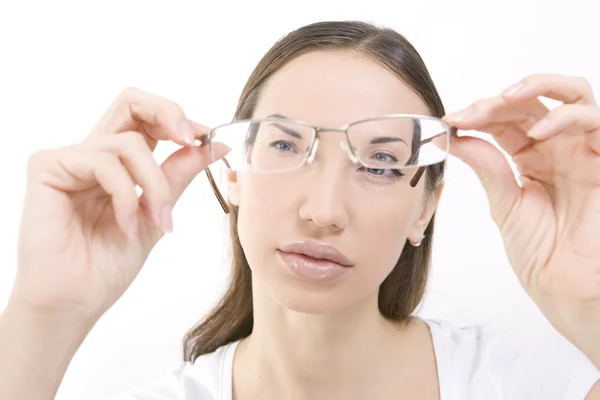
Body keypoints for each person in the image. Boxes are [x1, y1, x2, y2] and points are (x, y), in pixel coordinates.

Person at [1, 19, 600, 400]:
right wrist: (43, 314)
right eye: (287, 145)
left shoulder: (524, 386)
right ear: (234, 172)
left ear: (426, 208)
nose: (324, 210)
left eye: (383, 163)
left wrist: (592, 304)